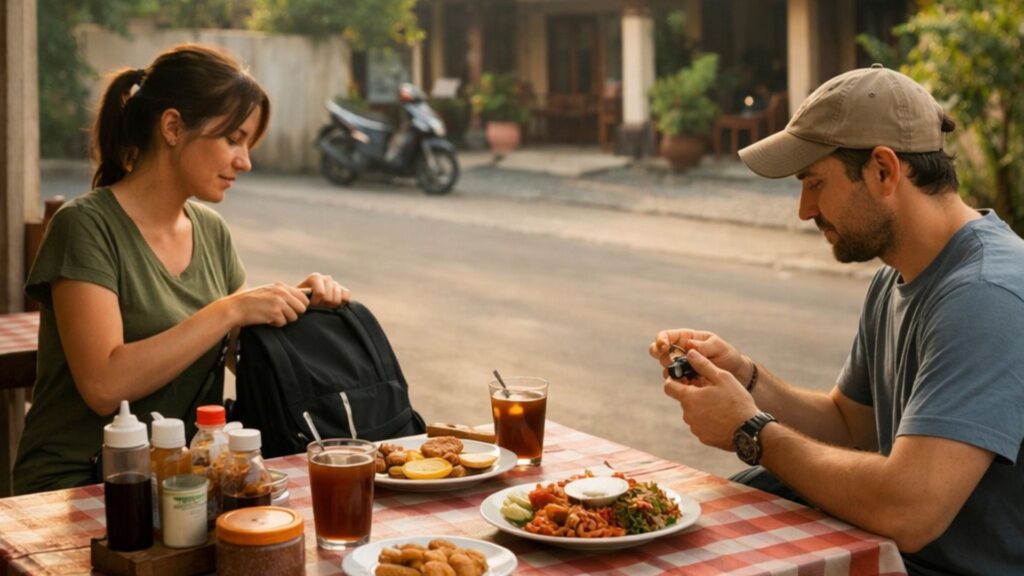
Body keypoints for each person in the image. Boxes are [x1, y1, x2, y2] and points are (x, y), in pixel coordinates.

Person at [649, 64, 1023, 575]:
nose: (805, 210)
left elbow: (909, 510)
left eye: (815, 183)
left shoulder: (985, 295)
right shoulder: (895, 277)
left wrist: (750, 431)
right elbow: (851, 426)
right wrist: (747, 380)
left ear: (885, 170)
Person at [14, 44, 350, 495]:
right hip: (77, 485)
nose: (245, 161)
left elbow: (236, 353)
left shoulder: (211, 231)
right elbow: (103, 383)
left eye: (247, 143)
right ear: (172, 127)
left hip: (184, 484)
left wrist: (298, 307)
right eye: (233, 139)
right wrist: (230, 310)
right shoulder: (85, 226)